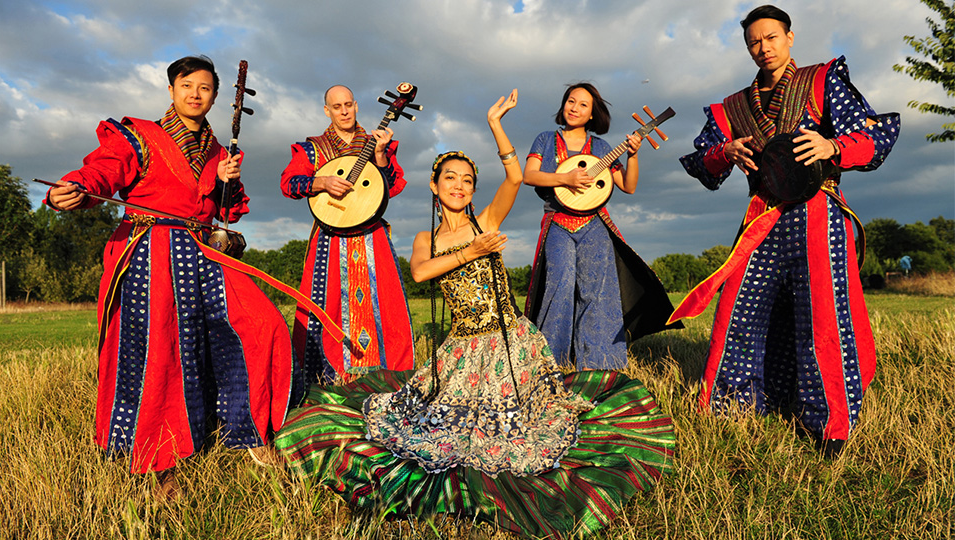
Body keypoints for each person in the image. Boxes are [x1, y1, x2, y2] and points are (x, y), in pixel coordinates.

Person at [275, 91, 675, 539]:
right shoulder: (426, 239)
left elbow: (514, 175)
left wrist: (494, 123)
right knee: (437, 430)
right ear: (434, 185)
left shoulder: (488, 219)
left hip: (509, 343)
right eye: (450, 178)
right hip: (462, 350)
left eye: (467, 179)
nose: (459, 186)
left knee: (518, 431)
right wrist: (471, 250)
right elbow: (423, 272)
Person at [46, 55, 299, 498]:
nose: (195, 93)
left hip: (204, 249)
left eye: (205, 88)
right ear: (171, 89)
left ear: (216, 97)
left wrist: (227, 181)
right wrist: (78, 186)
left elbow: (224, 210)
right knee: (160, 351)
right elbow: (106, 170)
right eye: (187, 85)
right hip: (151, 247)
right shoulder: (139, 134)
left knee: (263, 325)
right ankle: (157, 458)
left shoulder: (222, 151)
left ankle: (250, 430)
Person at [673, 5, 900, 455]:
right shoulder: (731, 107)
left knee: (822, 317)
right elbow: (701, 163)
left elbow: (877, 133)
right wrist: (726, 152)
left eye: (771, 38)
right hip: (761, 216)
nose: (764, 48)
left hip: (819, 210)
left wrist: (832, 144)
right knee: (738, 308)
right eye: (754, 42)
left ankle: (828, 424)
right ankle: (731, 410)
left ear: (789, 38)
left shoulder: (821, 79)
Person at [522, 82, 679, 371]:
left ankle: (600, 364)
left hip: (594, 225)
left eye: (583, 104)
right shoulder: (545, 139)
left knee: (597, 292)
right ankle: (550, 365)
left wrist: (633, 155)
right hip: (558, 222)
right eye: (571, 101)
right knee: (560, 285)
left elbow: (628, 187)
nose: (575, 108)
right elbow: (530, 176)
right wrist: (565, 179)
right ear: (563, 104)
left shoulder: (602, 148)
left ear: (593, 114)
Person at [280, 85, 414, 384]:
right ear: (327, 111)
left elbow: (390, 187)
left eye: (348, 105)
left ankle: (387, 379)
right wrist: (322, 181)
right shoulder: (311, 149)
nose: (343, 111)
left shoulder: (376, 142)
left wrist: (380, 154)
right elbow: (289, 184)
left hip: (371, 236)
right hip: (329, 236)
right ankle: (324, 379)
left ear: (356, 106)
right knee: (325, 306)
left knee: (385, 306)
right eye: (336, 106)